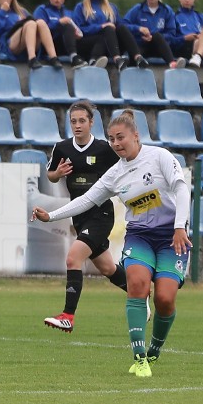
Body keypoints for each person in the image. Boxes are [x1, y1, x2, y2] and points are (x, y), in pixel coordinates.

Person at [32, 109, 191, 378]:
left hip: (170, 236)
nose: (116, 144)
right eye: (112, 139)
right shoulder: (116, 173)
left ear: (135, 136)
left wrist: (179, 226)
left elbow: (181, 188)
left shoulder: (160, 156)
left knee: (165, 298)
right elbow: (86, 200)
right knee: (137, 285)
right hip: (139, 235)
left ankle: (155, 348)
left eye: (121, 138)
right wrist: (52, 216)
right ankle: (139, 358)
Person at [42, 100, 130, 333]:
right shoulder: (62, 148)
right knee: (108, 268)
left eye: (82, 121)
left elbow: (125, 169)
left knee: (73, 258)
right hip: (78, 216)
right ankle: (140, 293)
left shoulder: (104, 149)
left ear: (92, 123)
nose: (77, 125)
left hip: (100, 214)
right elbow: (51, 175)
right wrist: (57, 173)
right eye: (73, 121)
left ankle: (68, 316)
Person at [73, 0, 149, 70]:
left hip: (111, 44)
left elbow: (120, 25)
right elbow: (80, 30)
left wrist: (139, 29)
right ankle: (117, 60)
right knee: (108, 29)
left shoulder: (111, 7)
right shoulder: (81, 7)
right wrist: (101, 27)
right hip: (91, 42)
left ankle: (138, 57)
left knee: (121, 28)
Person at [0, 0, 62, 70]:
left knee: (40, 22)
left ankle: (53, 58)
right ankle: (32, 59)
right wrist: (2, 12)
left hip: (28, 43)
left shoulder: (21, 12)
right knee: (30, 24)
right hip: (8, 44)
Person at [122, 0, 186, 70]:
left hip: (159, 47)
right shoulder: (137, 9)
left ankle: (172, 63)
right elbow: (124, 25)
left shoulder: (166, 10)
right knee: (134, 54)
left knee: (157, 35)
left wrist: (152, 37)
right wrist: (139, 29)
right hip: (141, 45)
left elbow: (171, 33)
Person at [33, 0, 88, 69]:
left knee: (93, 39)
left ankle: (93, 59)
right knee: (66, 26)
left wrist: (76, 34)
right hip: (49, 46)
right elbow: (38, 30)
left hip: (66, 45)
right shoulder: (42, 10)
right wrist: (59, 22)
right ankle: (73, 57)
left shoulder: (69, 13)